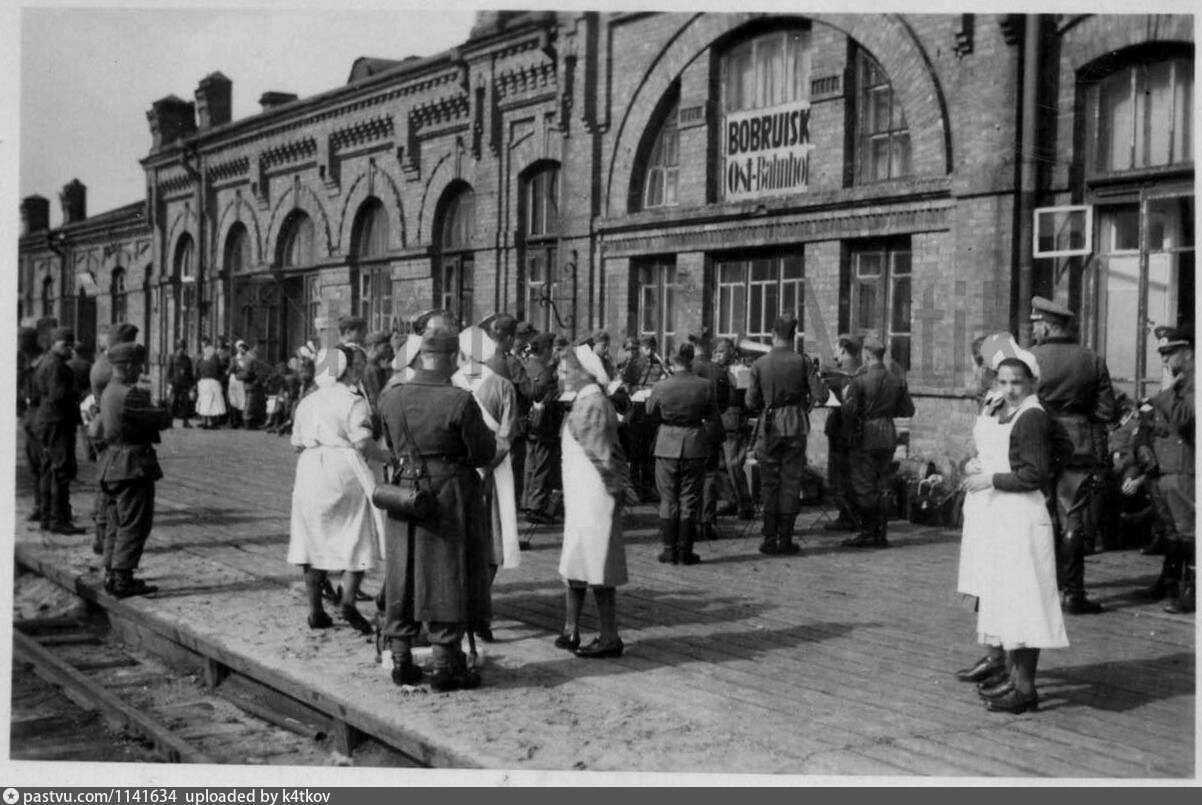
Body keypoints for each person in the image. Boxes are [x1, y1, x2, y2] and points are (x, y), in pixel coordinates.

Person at [376, 328, 496, 692]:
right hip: (448, 493)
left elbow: (389, 443)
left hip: (403, 492)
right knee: (448, 571)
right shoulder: (459, 400)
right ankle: (446, 664)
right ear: (449, 358)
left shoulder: (391, 398)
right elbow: (483, 454)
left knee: (403, 571)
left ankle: (401, 659)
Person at [959, 355, 1069, 714]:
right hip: (1006, 516)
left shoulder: (1032, 417)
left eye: (1017, 383)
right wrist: (979, 465)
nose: (1009, 389)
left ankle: (1025, 688)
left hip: (1023, 517)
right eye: (1003, 382)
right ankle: (1014, 677)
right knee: (1009, 601)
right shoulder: (1009, 411)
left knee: (1025, 604)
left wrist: (990, 478)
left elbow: (1034, 474)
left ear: (1032, 383)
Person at [287, 345, 391, 633]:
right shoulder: (353, 400)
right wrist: (388, 457)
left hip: (309, 471)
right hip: (344, 469)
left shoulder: (307, 401)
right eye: (353, 366)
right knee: (356, 534)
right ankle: (348, 600)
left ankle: (315, 610)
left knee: (312, 540)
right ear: (345, 370)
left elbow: (296, 442)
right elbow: (363, 442)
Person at [1028, 296, 1117, 614]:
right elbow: (1107, 410)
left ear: (1047, 326)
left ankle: (1045, 588)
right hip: (1079, 445)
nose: (1034, 331)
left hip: (1038, 444)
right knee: (1073, 517)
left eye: (1036, 325)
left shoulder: (1029, 358)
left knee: (1042, 514)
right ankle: (1074, 594)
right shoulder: (1092, 359)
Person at [555, 345, 629, 658]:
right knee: (576, 558)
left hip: (595, 495)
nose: (560, 375)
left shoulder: (593, 404)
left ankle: (609, 636)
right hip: (581, 494)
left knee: (598, 563)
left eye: (565, 369)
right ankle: (571, 628)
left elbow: (603, 457)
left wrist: (616, 490)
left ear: (583, 372)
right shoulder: (585, 401)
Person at [96, 342, 173, 597]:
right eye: (138, 365)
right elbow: (158, 419)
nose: (140, 370)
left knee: (115, 522)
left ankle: (111, 573)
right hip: (131, 466)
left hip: (112, 464)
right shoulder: (129, 394)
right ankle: (123, 580)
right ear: (128, 366)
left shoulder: (110, 390)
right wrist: (165, 409)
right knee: (134, 523)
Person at [745, 315, 826, 556]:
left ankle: (769, 539)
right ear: (794, 335)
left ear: (772, 334)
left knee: (770, 483)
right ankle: (786, 540)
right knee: (791, 483)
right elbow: (821, 396)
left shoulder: (759, 364)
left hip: (769, 427)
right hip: (796, 424)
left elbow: (751, 401)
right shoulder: (803, 361)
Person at [1134, 325, 1194, 614]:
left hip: (1184, 466)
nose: (1165, 361)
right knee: (1172, 529)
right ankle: (1169, 583)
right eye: (1163, 354)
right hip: (1165, 466)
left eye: (1170, 353)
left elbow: (1182, 417)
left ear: (1189, 352)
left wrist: (1164, 394)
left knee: (1188, 531)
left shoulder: (1193, 383)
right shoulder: (1182, 383)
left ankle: (1191, 591)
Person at [646, 341, 723, 565]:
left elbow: (650, 411)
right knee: (689, 499)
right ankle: (685, 551)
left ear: (672, 361)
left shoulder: (662, 386)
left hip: (667, 443)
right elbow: (712, 417)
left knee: (668, 497)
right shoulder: (705, 385)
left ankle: (669, 549)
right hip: (694, 443)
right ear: (691, 361)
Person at [841, 336, 914, 549]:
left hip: (866, 436)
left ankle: (868, 533)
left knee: (864, 487)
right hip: (888, 435)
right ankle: (880, 533)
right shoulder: (897, 380)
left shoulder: (860, 380)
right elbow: (907, 410)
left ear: (866, 354)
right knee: (882, 484)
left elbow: (850, 412)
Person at [31, 327, 86, 534]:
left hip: (47, 421)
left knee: (47, 470)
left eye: (70, 344)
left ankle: (47, 516)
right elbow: (58, 396)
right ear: (55, 344)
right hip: (58, 423)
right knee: (62, 470)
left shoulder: (47, 361)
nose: (69, 348)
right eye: (65, 344)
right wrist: (76, 394)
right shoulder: (56, 365)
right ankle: (59, 520)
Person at [691, 329, 733, 541]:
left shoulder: (687, 369)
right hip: (712, 429)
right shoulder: (719, 371)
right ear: (708, 346)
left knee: (689, 477)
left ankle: (690, 522)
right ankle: (707, 522)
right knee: (709, 476)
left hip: (690, 432)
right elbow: (725, 404)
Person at [821, 335, 863, 532]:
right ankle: (853, 515)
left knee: (838, 476)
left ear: (844, 350)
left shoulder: (841, 374)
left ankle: (847, 516)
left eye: (837, 350)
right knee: (852, 474)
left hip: (840, 429)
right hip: (856, 430)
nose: (835, 354)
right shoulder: (862, 371)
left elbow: (825, 398)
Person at [621, 334, 669, 503]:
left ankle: (648, 488)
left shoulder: (659, 364)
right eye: (647, 348)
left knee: (650, 453)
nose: (649, 352)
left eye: (652, 348)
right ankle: (636, 489)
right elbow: (626, 384)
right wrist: (637, 391)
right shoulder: (634, 364)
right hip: (636, 410)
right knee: (635, 453)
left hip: (652, 412)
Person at [711, 337, 755, 521]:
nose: (717, 355)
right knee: (720, 465)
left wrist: (723, 372)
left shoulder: (741, 370)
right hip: (719, 419)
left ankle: (745, 505)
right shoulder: (716, 370)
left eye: (721, 352)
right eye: (715, 352)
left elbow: (743, 393)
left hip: (734, 420)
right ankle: (730, 500)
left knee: (734, 464)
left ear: (731, 352)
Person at [522, 333, 563, 524]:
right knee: (542, 466)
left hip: (530, 424)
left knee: (531, 465)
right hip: (545, 425)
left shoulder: (527, 366)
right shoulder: (545, 371)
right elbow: (549, 398)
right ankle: (536, 506)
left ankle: (527, 502)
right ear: (545, 350)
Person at [236, 343, 271, 429]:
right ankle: (249, 422)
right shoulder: (254, 357)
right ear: (258, 347)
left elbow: (239, 369)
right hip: (254, 383)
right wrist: (260, 380)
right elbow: (258, 370)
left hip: (247, 383)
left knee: (248, 402)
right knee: (251, 403)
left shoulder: (245, 357)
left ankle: (247, 421)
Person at [194, 339, 227, 429]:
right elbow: (218, 369)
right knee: (213, 402)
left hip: (203, 381)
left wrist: (198, 380)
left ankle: (205, 421)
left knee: (205, 401)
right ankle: (211, 422)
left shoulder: (201, 357)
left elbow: (197, 370)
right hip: (212, 381)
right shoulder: (214, 356)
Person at [166, 339, 195, 428]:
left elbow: (190, 372)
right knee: (172, 402)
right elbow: (168, 371)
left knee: (185, 403)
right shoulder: (172, 357)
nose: (181, 349)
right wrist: (169, 383)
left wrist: (192, 385)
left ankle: (185, 422)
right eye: (180, 347)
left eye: (183, 347)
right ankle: (169, 422)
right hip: (175, 383)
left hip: (184, 384)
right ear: (177, 347)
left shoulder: (187, 359)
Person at [227, 340, 248, 428]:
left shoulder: (246, 359)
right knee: (233, 400)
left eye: (244, 348)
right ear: (237, 349)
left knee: (242, 400)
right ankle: (234, 421)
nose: (242, 350)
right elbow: (231, 369)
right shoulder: (234, 358)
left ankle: (241, 421)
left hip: (241, 380)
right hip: (234, 380)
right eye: (240, 348)